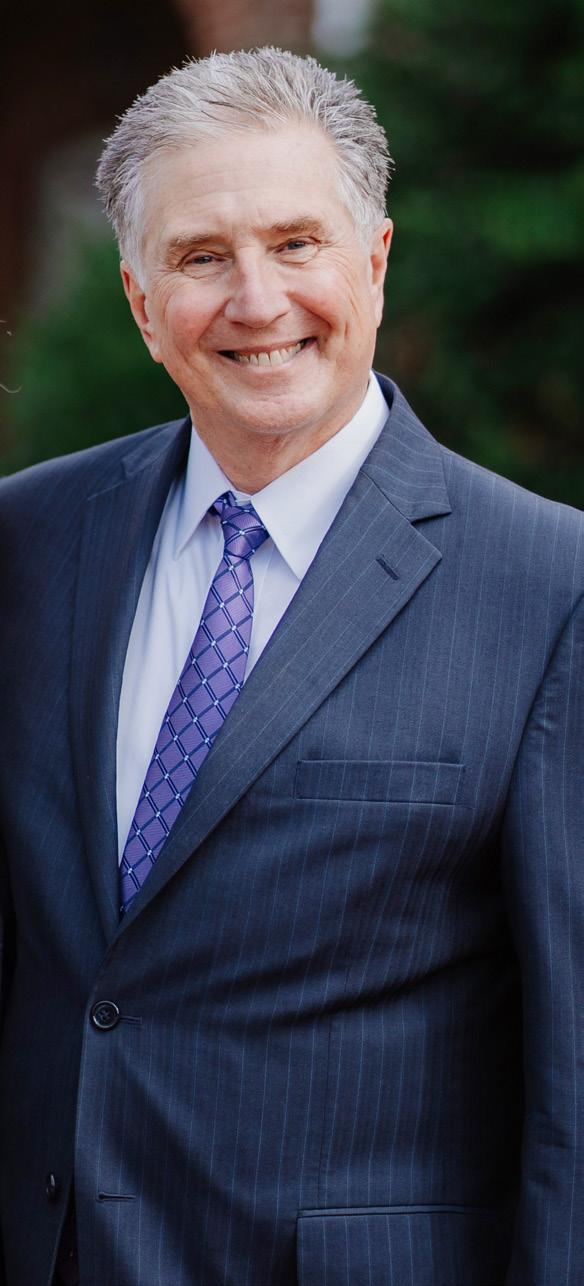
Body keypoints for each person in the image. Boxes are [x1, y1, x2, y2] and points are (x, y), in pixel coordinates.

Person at [0, 46, 582, 1286]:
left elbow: (572, 1081)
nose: (256, 299)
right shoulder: (27, 540)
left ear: (373, 260)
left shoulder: (547, 587)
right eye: (201, 257)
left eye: (296, 243)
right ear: (140, 302)